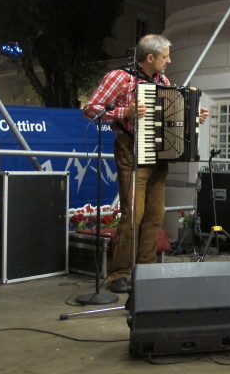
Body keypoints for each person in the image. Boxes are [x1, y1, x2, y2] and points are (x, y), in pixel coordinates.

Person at [83, 34, 209, 293]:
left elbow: (170, 117)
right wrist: (123, 112)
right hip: (130, 149)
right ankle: (119, 272)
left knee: (154, 214)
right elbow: (91, 108)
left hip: (159, 153)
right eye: (165, 56)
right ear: (150, 57)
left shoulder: (162, 81)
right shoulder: (120, 77)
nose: (169, 61)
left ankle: (147, 269)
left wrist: (193, 117)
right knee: (133, 214)